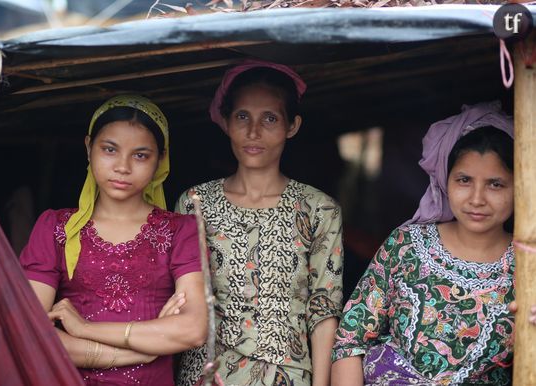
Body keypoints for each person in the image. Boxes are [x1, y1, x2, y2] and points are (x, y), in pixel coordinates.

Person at [175, 60, 344, 386]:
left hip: (285, 377)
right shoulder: (194, 203)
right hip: (206, 376)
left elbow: (324, 312)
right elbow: (183, 302)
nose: (254, 132)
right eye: (242, 117)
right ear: (225, 122)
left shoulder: (318, 209)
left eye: (270, 118)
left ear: (292, 126)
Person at [19, 95, 208, 386]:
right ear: (88, 147)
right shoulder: (56, 228)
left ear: (161, 158)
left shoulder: (180, 231)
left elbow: (193, 329)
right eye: (110, 149)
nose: (122, 166)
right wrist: (142, 350)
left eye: (140, 155)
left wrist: (84, 329)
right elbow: (29, 335)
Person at [331, 102, 515, 386]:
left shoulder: (527, 265)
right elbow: (349, 342)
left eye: (496, 184)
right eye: (464, 180)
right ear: (445, 180)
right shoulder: (406, 245)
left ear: (520, 186)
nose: (477, 198)